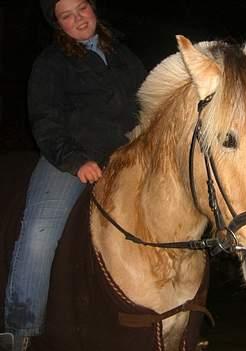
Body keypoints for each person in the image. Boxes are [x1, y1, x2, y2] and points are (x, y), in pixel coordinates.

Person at [0, 0, 147, 350]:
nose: (78, 18)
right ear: (59, 24)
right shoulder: (50, 64)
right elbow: (45, 120)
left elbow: (148, 102)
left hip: (128, 158)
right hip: (70, 160)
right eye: (67, 15)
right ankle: (18, 330)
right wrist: (75, 160)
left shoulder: (125, 57)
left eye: (81, 8)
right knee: (38, 233)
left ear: (94, 9)